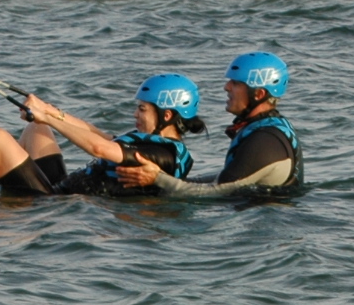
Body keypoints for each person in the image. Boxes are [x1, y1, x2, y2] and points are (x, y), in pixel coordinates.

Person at [0, 74, 202, 198]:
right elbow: (98, 135)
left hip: (51, 202)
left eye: (142, 109)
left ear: (167, 115)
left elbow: (99, 148)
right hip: (59, 186)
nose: (135, 114)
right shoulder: (152, 141)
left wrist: (48, 117)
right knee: (36, 128)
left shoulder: (162, 154)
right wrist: (49, 112)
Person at [115, 51, 301, 196]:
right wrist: (165, 179)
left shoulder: (264, 141)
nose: (226, 87)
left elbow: (217, 192)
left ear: (259, 94)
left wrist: (158, 179)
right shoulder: (266, 128)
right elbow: (225, 179)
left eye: (236, 83)